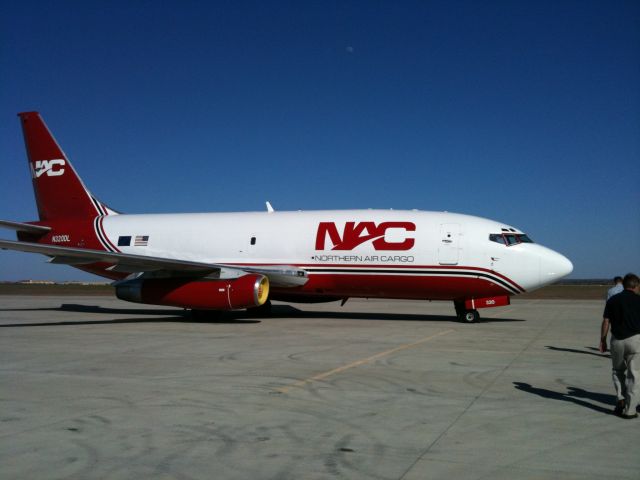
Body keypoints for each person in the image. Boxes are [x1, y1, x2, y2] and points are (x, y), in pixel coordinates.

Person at [599, 273, 640, 418]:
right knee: (634, 375)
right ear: (635, 286)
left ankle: (621, 398)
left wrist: (603, 340)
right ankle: (630, 410)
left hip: (617, 341)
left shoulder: (613, 300)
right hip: (635, 339)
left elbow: (606, 321)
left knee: (617, 371)